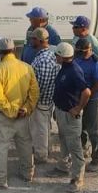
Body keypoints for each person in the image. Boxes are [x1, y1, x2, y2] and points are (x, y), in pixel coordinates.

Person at [0, 38, 39, 189]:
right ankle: (27, 174)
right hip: (23, 114)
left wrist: (11, 111)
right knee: (25, 145)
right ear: (14, 50)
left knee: (1, 148)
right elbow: (34, 92)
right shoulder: (26, 67)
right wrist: (26, 109)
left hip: (5, 116)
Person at [51, 42, 91, 193]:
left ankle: (77, 179)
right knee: (64, 140)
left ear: (62, 56)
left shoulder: (74, 71)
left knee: (74, 146)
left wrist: (78, 108)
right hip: (62, 111)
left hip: (70, 115)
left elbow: (86, 92)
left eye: (57, 55)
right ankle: (63, 167)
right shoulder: (65, 68)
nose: (55, 57)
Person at [73, 38, 98, 172]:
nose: (79, 54)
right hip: (78, 95)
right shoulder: (77, 58)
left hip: (92, 97)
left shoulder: (97, 63)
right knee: (80, 126)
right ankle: (83, 149)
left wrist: (85, 97)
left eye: (82, 52)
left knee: (92, 128)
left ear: (89, 49)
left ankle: (97, 157)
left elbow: (97, 85)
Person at [29, 28, 60, 166]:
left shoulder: (44, 60)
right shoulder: (48, 55)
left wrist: (31, 101)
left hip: (41, 101)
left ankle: (41, 156)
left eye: (33, 39)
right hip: (46, 101)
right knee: (44, 128)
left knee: (40, 130)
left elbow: (41, 85)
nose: (30, 41)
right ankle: (45, 150)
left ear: (39, 41)